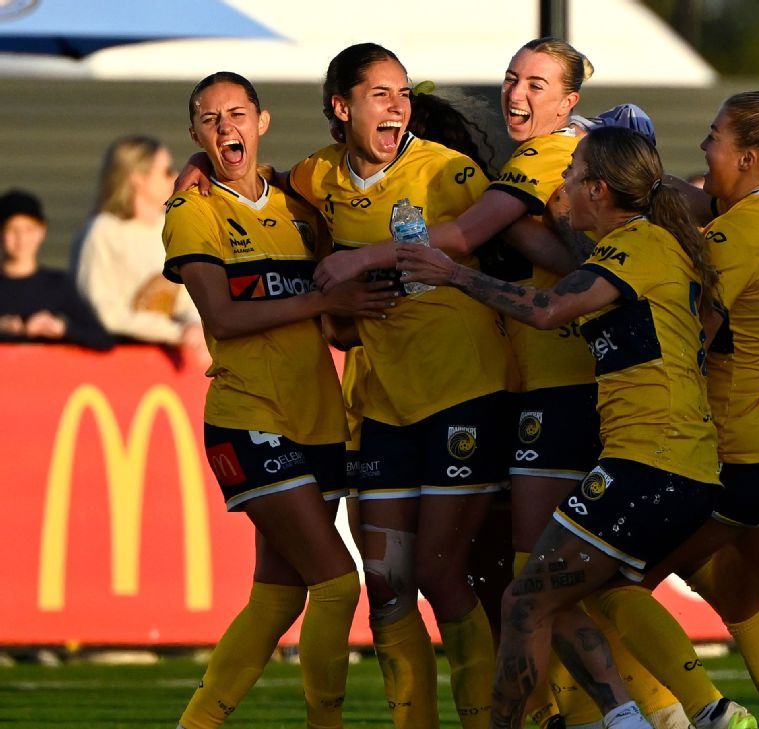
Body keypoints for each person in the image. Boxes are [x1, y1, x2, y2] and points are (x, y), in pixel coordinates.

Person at [395, 125, 755, 729]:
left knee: (523, 600)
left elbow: (548, 309)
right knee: (562, 594)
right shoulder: (650, 245)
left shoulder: (637, 244)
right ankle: (637, 717)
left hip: (652, 462)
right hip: (670, 462)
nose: (561, 184)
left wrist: (452, 273)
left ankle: (688, 709)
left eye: (573, 173)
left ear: (599, 189)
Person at [587, 90, 759, 727]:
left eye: (713, 138)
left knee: (612, 582)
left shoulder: (733, 235)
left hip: (746, 450)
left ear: (748, 157)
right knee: (741, 598)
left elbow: (691, 336)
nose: (704, 149)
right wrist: (651, 180)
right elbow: (695, 198)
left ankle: (709, 712)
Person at [288, 43, 516, 729]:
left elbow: (503, 242)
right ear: (341, 106)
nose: (398, 106)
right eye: (381, 94)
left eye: (404, 93)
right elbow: (263, 186)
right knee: (386, 585)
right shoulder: (317, 176)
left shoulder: (448, 171)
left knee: (442, 572)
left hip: (463, 390)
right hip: (384, 403)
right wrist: (198, 168)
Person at [164, 71, 395, 729]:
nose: (225, 128)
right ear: (195, 133)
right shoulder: (193, 211)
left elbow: (338, 322)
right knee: (337, 581)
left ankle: (195, 724)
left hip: (318, 419)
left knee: (278, 596)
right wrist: (325, 300)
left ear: (261, 122)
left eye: (237, 114)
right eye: (210, 119)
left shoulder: (300, 205)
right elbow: (224, 316)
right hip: (248, 417)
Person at [74, 135, 208, 360]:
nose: (175, 176)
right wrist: (175, 332)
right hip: (115, 361)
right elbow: (103, 313)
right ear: (138, 179)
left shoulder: (171, 227)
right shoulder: (104, 232)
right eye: (166, 171)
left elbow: (191, 298)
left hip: (171, 365)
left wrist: (195, 326)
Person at [0, 189, 113, 350]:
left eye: (29, 229)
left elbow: (102, 339)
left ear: (42, 231)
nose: (21, 239)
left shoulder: (57, 285)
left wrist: (60, 328)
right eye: (12, 230)